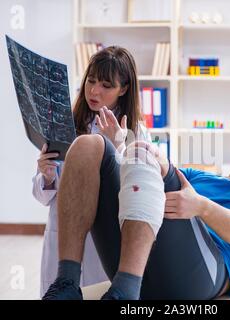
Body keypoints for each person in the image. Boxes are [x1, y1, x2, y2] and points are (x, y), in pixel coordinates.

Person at [42, 117, 230, 300]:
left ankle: (126, 292)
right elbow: (146, 177)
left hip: (199, 280)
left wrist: (201, 206)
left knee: (145, 154)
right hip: (145, 258)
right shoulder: (198, 177)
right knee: (89, 145)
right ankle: (66, 282)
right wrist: (120, 150)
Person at [32, 45, 150, 297]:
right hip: (62, 240)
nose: (94, 91)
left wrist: (118, 150)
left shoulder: (137, 133)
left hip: (103, 246)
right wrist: (47, 175)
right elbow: (44, 197)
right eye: (91, 81)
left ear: (124, 89)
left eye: (106, 85)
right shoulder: (66, 125)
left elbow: (143, 197)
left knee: (96, 292)